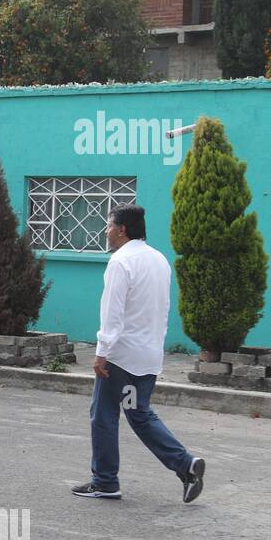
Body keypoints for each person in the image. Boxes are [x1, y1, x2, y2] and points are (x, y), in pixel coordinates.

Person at [72, 204, 205, 503]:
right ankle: (186, 465)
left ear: (122, 230)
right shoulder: (159, 260)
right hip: (147, 356)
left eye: (108, 226)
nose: (105, 232)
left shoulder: (121, 262)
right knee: (138, 413)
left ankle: (105, 482)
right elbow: (163, 310)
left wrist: (102, 353)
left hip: (119, 357)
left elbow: (112, 313)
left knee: (103, 415)